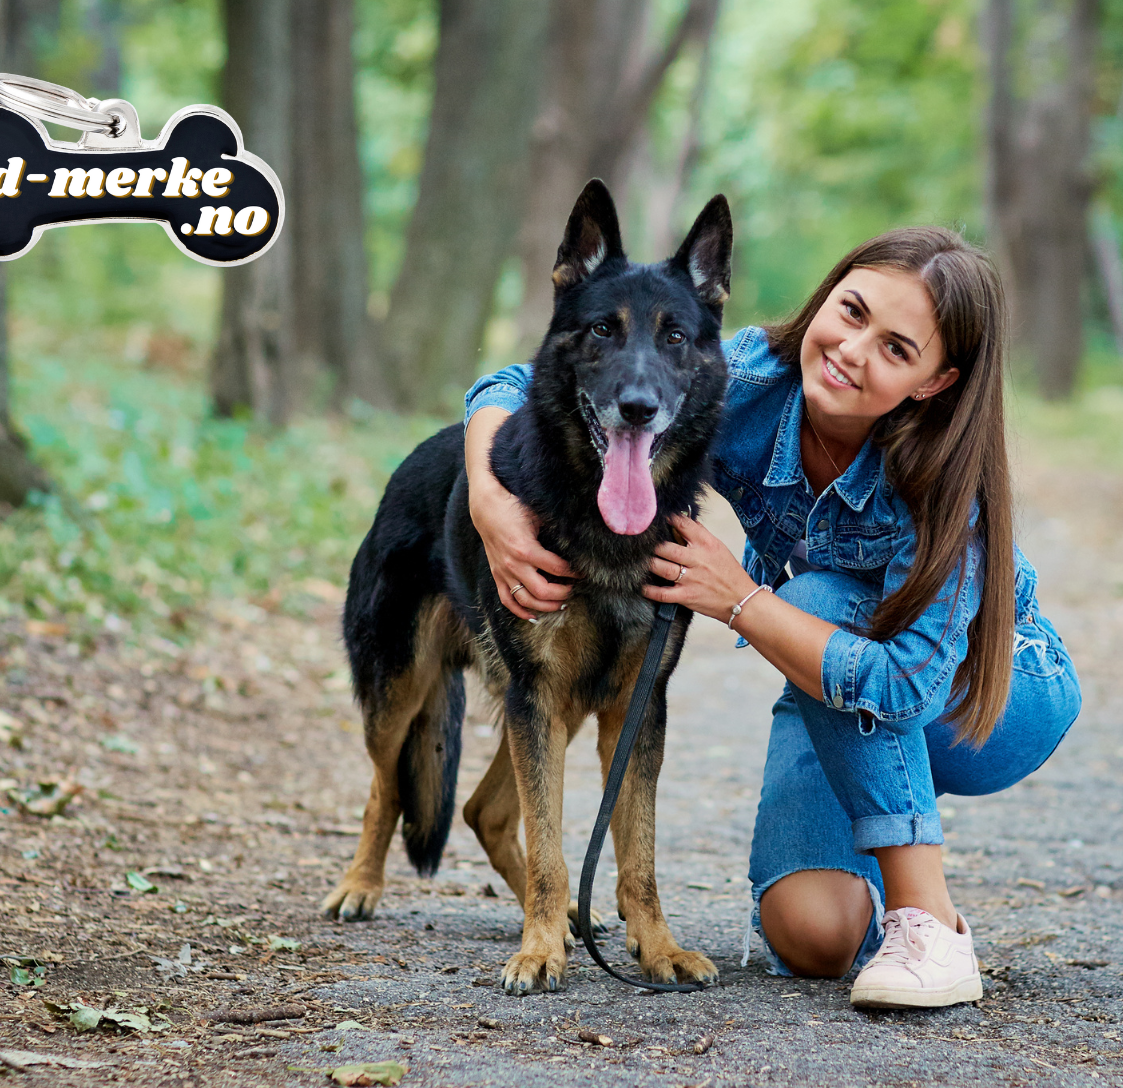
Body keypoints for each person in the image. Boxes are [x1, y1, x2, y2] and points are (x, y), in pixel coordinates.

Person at [462, 227, 1081, 1009]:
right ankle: (874, 849)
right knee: (811, 938)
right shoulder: (748, 376)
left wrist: (741, 601)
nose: (853, 350)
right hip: (829, 683)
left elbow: (898, 684)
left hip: (985, 698)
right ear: (825, 296)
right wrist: (488, 501)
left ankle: (929, 925)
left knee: (814, 599)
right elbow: (516, 380)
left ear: (934, 381)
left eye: (896, 350)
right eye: (850, 312)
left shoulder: (950, 484)